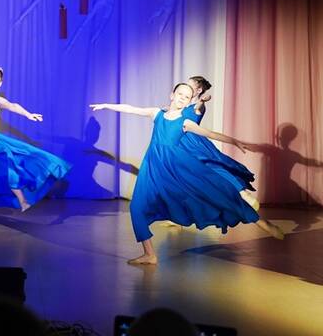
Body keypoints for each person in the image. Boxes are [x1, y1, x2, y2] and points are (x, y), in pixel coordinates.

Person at [90, 83, 284, 265]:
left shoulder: (186, 121)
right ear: (172, 95)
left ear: (190, 101)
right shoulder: (157, 113)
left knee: (218, 196)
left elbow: (210, 134)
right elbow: (132, 109)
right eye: (180, 94)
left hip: (178, 168)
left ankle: (263, 224)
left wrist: (234, 141)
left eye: (187, 97)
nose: (183, 98)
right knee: (137, 207)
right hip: (153, 169)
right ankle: (149, 254)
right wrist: (106, 105)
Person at [0, 67, 70, 220]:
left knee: (7, 167)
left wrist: (28, 114)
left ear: (0, 83)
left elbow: (12, 105)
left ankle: (23, 201)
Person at [182, 76, 259, 209]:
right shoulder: (183, 105)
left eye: (190, 86)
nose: (186, 88)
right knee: (185, 174)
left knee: (213, 166)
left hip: (194, 143)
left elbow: (200, 105)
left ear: (199, 90)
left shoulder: (198, 105)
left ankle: (242, 192)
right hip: (180, 144)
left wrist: (202, 100)